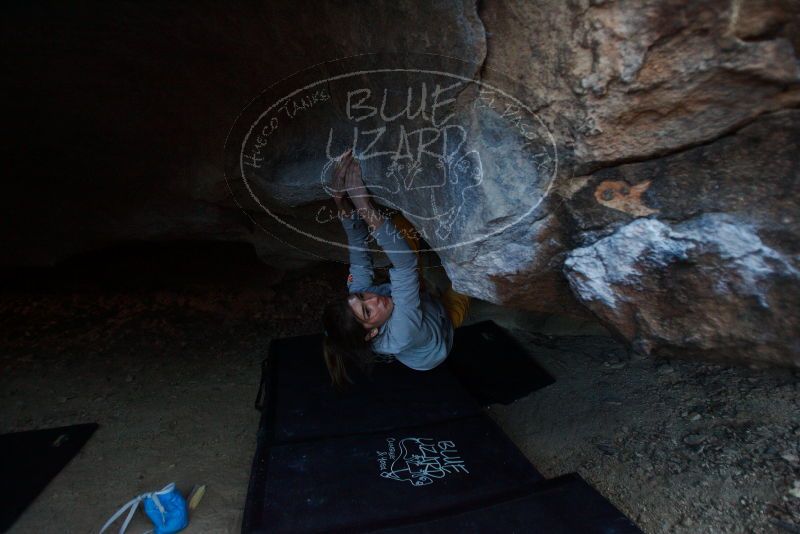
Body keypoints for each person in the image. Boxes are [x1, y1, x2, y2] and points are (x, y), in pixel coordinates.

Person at [322, 150, 469, 388]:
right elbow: (405, 263)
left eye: (361, 296)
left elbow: (359, 254)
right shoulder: (403, 332)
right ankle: (445, 292)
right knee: (466, 277)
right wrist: (364, 204)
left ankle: (421, 288)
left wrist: (340, 200)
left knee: (400, 227)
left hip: (415, 301)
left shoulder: (359, 304)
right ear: (371, 334)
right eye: (367, 312)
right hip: (439, 331)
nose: (374, 300)